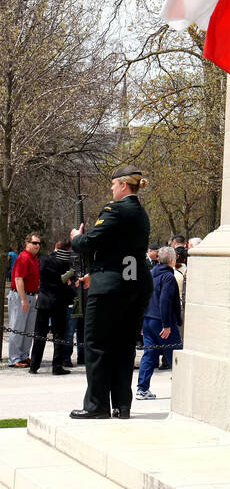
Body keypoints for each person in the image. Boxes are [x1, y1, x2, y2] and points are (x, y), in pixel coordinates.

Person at [69, 166, 153, 420]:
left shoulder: (114, 210)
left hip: (110, 289)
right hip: (135, 285)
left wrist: (76, 237)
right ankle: (122, 405)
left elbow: (88, 243)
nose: (111, 189)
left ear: (123, 186)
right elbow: (119, 252)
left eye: (113, 185)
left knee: (96, 345)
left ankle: (96, 406)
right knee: (124, 346)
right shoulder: (142, 214)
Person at [136, 247, 182, 400]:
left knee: (149, 354)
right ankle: (183, 388)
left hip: (148, 319)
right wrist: (167, 324)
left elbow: (142, 298)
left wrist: (142, 320)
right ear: (171, 260)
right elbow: (165, 301)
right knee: (175, 353)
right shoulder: (168, 277)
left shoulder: (150, 274)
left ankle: (142, 389)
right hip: (161, 321)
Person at [29, 238, 76, 375]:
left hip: (43, 301)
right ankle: (57, 366)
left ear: (56, 246)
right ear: (67, 250)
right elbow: (65, 281)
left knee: (39, 334)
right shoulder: (65, 263)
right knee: (59, 334)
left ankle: (34, 365)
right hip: (58, 302)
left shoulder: (43, 259)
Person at [8, 232, 42, 367]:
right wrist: (23, 299)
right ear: (27, 243)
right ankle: (14, 359)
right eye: (34, 243)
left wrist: (35, 294)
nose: (37, 246)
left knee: (28, 329)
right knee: (17, 327)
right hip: (20, 296)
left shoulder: (34, 259)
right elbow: (18, 279)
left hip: (31, 295)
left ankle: (24, 356)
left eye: (39, 243)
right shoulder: (23, 258)